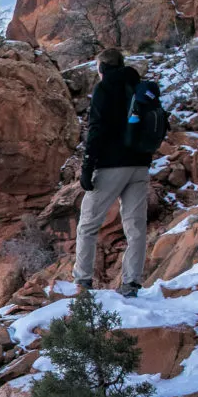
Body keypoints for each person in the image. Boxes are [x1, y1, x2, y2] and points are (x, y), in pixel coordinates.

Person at [74, 48, 158, 298]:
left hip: (111, 165)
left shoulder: (104, 89)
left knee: (88, 225)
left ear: (102, 67)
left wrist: (87, 166)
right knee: (136, 228)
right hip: (140, 164)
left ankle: (83, 283)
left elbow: (96, 129)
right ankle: (131, 284)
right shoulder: (139, 86)